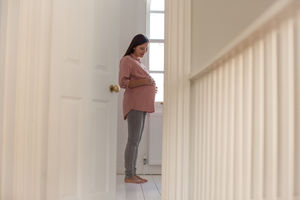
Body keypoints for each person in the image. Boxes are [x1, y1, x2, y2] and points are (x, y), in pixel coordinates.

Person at [119, 34, 156, 184]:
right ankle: (129, 175)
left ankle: (133, 173)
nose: (144, 51)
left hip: (142, 104)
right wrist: (145, 82)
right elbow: (123, 82)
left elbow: (142, 82)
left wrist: (150, 86)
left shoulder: (139, 62)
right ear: (134, 46)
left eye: (146, 49)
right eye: (142, 48)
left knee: (136, 140)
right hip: (134, 104)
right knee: (133, 140)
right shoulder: (126, 60)